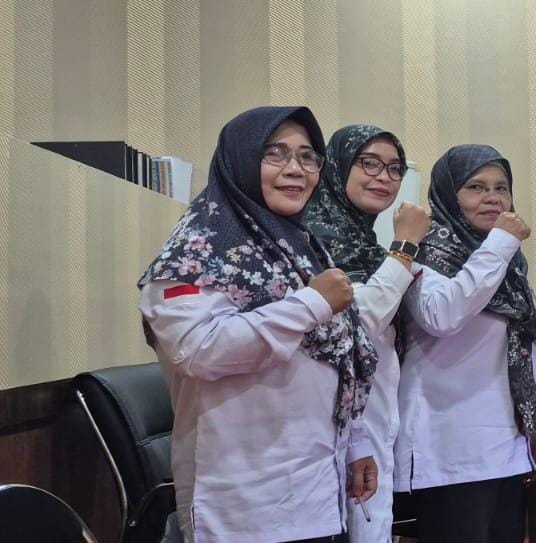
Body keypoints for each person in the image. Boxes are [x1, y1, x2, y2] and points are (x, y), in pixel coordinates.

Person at [137, 106, 379, 543]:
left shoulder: (300, 244)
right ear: (242, 160)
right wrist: (310, 303)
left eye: (308, 157)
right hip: (246, 503)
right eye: (275, 153)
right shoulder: (196, 251)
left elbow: (339, 354)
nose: (296, 170)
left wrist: (357, 442)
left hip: (318, 483)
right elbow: (197, 349)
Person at [397, 144, 536, 543]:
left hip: (505, 445)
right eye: (476, 187)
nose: (492, 197)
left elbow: (527, 348)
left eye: (501, 188)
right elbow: (442, 315)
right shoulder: (424, 254)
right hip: (451, 450)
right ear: (450, 196)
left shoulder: (508, 264)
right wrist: (500, 244)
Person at [303, 124, 431, 543]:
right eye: (369, 163)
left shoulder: (365, 243)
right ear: (337, 167)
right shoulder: (313, 237)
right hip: (326, 425)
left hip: (366, 424)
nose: (383, 177)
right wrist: (406, 248)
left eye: (394, 169)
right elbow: (359, 319)